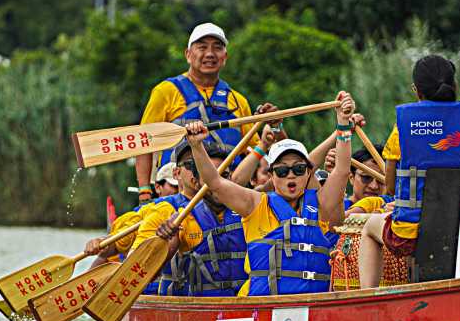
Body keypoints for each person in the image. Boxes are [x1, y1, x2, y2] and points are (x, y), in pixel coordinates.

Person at [168, 92, 355, 296]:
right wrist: (196, 145)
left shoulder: (320, 205)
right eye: (282, 171)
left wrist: (343, 123)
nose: (290, 176)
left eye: (298, 169)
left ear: (309, 173)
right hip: (264, 308)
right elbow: (215, 182)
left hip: (313, 310)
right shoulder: (255, 203)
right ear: (272, 176)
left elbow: (342, 171)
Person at [358, 55, 460, 288]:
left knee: (370, 227)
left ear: (416, 91)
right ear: (455, 86)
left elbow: (389, 187)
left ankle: (366, 296)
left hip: (410, 236)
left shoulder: (405, 125)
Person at [135, 22, 274, 204]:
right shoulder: (165, 92)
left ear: (225, 57)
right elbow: (144, 143)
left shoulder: (238, 101)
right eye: (202, 47)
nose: (210, 54)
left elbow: (255, 150)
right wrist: (144, 191)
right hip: (181, 193)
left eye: (217, 48)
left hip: (228, 194)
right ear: (188, 55)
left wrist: (274, 128)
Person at [155, 142, 248, 297]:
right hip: (202, 309)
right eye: (210, 178)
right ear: (195, 181)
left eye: (224, 176)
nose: (219, 184)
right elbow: (152, 273)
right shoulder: (182, 218)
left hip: (246, 306)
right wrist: (167, 244)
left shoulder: (249, 210)